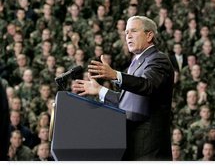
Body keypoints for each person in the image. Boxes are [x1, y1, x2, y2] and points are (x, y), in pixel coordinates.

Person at [72, 15, 174, 161]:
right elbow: (127, 102)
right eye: (126, 33)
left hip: (149, 149)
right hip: (132, 146)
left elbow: (148, 85)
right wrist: (99, 90)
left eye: (133, 31)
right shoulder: (136, 63)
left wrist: (115, 75)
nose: (128, 36)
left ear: (149, 35)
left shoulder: (158, 59)